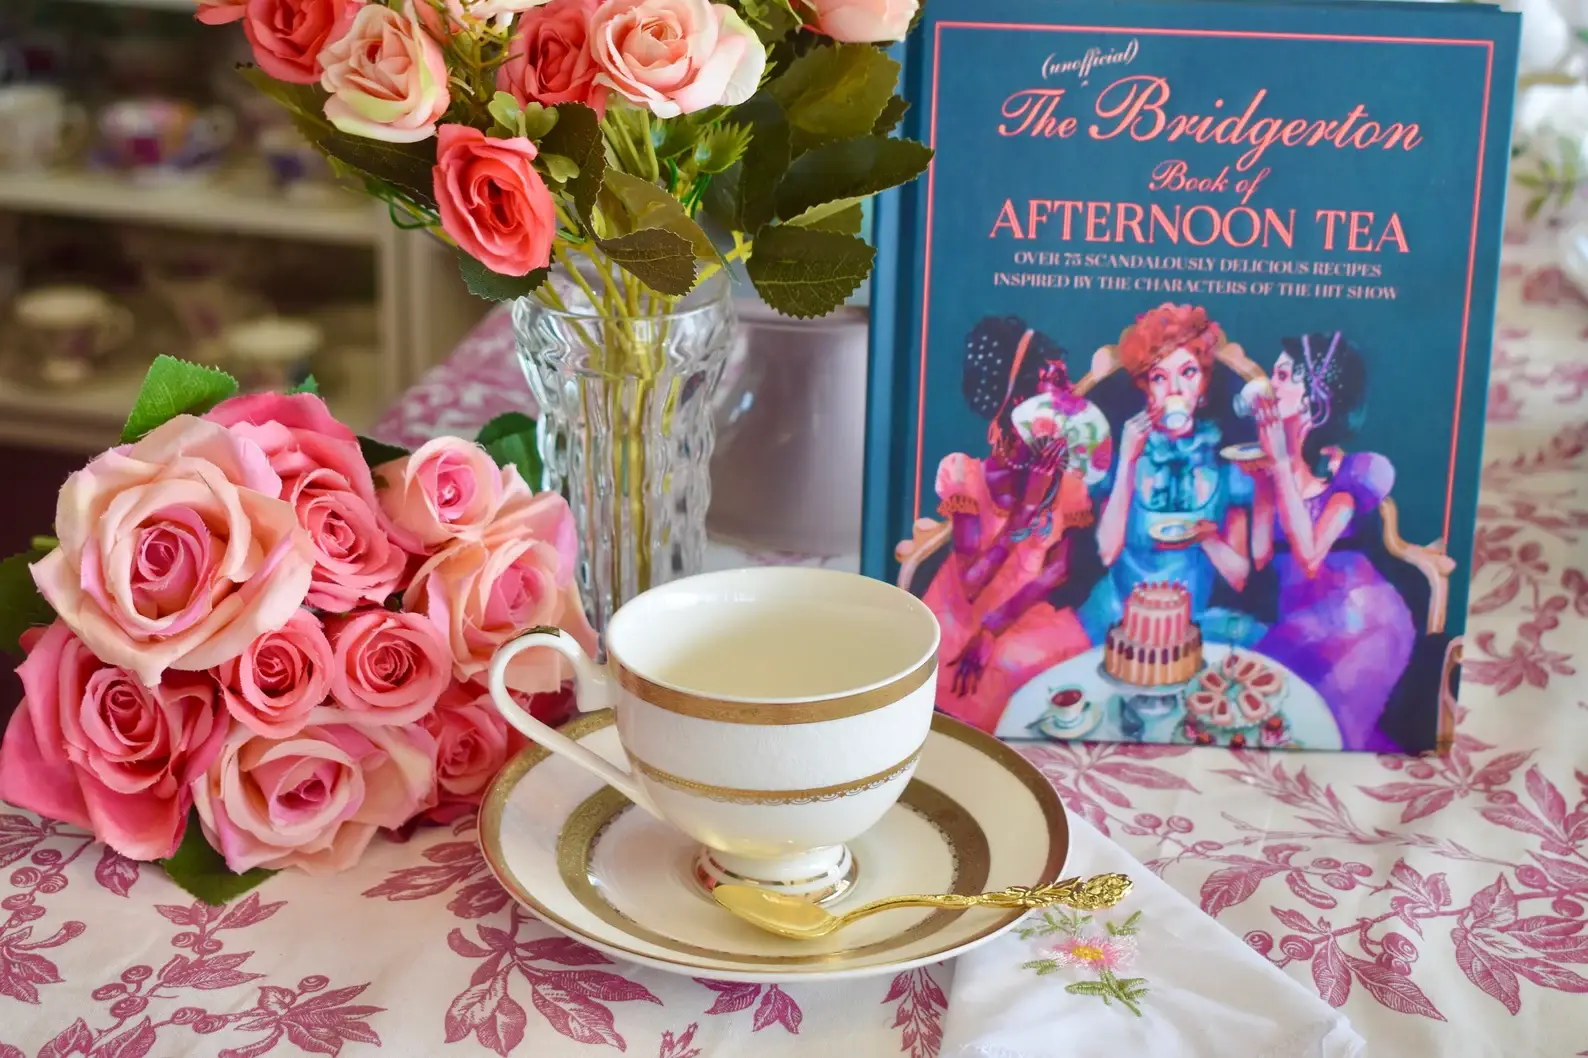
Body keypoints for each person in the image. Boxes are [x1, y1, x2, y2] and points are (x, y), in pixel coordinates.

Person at [924, 317, 1095, 732]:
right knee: (1000, 672)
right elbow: (970, 584)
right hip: (961, 614)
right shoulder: (967, 475)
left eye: (1067, 383)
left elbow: (1057, 570)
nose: (1069, 396)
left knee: (1060, 664)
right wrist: (1026, 508)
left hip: (1024, 610)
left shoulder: (1070, 482)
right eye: (1055, 383)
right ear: (1019, 398)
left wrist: (993, 630)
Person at [1249, 332, 1414, 751]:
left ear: (1314, 397)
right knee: (1255, 710)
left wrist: (1281, 465)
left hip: (1361, 623)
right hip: (1302, 622)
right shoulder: (1272, 469)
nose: (1270, 385)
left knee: (1320, 737)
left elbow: (1310, 556)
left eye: (1282, 376)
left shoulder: (1352, 472)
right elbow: (1260, 556)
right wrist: (1267, 479)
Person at [1078, 303, 1264, 648]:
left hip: (1193, 623)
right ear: (1146, 388)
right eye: (1160, 377)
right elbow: (1106, 553)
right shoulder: (1121, 454)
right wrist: (1128, 462)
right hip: (1118, 619)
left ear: (1203, 384)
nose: (1175, 390)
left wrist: (1208, 537)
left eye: (1188, 372)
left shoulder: (1227, 463)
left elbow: (1238, 577)